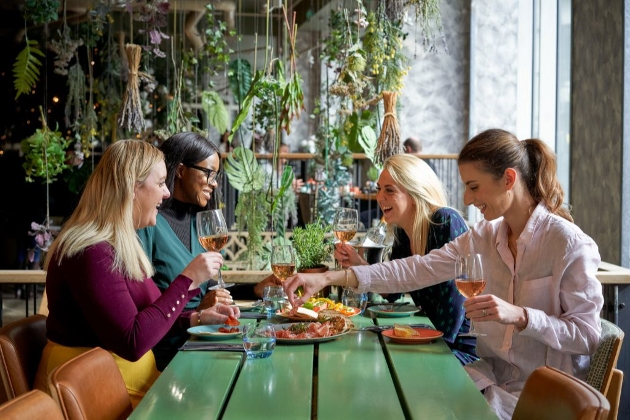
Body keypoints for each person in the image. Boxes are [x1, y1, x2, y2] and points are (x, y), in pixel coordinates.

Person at [284, 128, 604, 420]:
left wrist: (521, 316)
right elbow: (416, 269)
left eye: (473, 186)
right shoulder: (482, 237)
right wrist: (326, 278)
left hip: (543, 401)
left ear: (508, 179)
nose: (466, 199)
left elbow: (589, 337)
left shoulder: (569, 244)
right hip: (488, 382)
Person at [34, 140, 241, 407]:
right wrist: (187, 280)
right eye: (160, 183)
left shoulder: (118, 244)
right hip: (89, 393)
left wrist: (196, 318)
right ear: (132, 188)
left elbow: (150, 316)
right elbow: (132, 341)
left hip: (125, 382)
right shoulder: (90, 251)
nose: (167, 193)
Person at [136, 132, 279, 370]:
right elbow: (144, 310)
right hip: (170, 355)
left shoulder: (198, 222)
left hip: (204, 341)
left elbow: (206, 291)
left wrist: (253, 290)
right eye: (208, 173)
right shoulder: (149, 223)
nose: (214, 182)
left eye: (216, 176)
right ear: (181, 171)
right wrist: (200, 308)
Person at [336, 154, 477, 364]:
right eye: (379, 189)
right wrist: (359, 264)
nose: (379, 197)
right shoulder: (403, 233)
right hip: (429, 338)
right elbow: (393, 292)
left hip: (459, 347)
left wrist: (430, 350)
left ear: (413, 191)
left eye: (389, 190)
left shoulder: (445, 220)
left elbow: (457, 301)